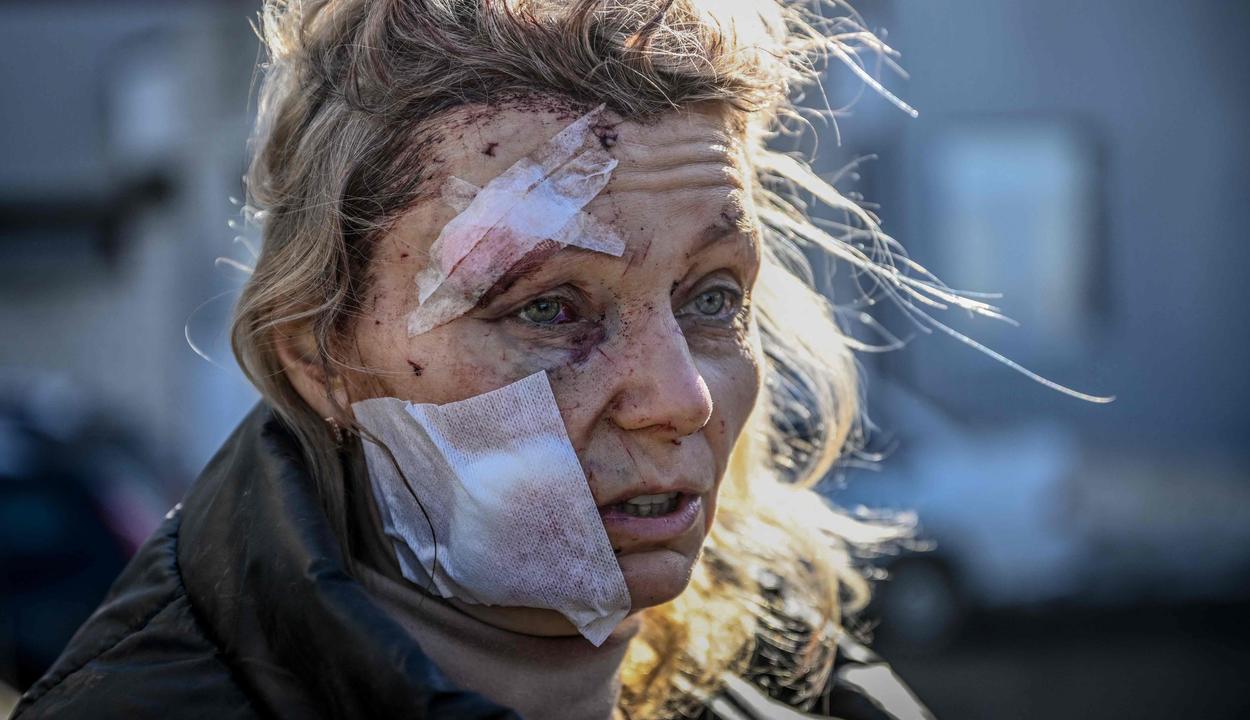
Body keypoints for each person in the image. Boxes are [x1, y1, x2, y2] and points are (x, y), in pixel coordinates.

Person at [12, 1, 938, 718]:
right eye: (547, 307)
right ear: (321, 361)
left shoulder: (807, 681)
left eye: (712, 298)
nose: (681, 397)